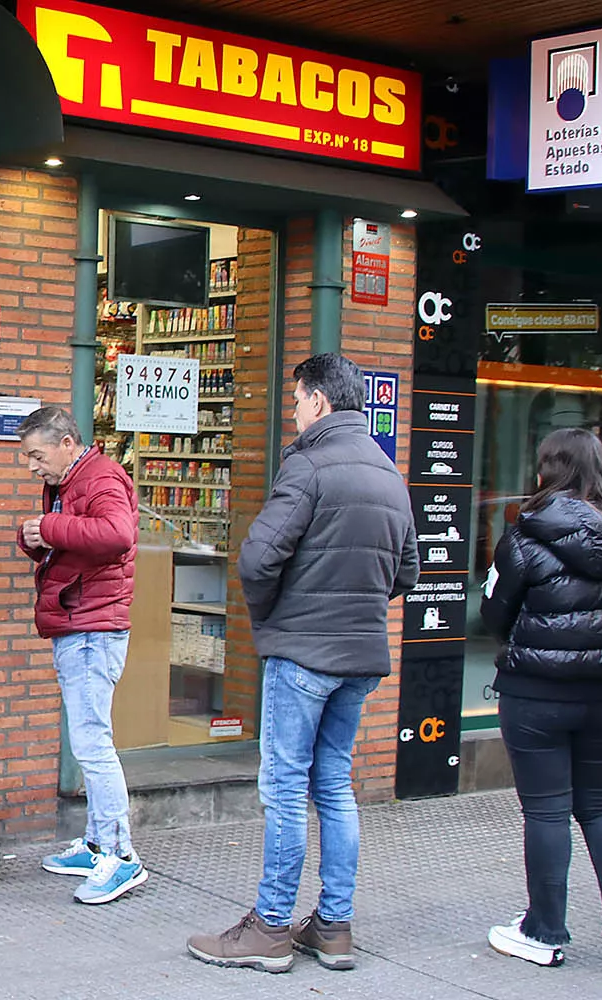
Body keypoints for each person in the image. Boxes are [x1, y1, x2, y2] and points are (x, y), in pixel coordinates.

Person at [187, 353, 417, 973]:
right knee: (334, 785)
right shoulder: (389, 473)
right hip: (362, 654)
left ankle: (270, 927)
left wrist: (273, 618)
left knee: (285, 786)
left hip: (304, 654)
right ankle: (333, 928)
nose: (292, 413)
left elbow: (257, 559)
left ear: (317, 401)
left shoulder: (309, 466)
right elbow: (408, 573)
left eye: (295, 402)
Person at [479, 427, 602, 970]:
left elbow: (495, 615)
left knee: (547, 810)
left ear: (546, 472)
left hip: (538, 694)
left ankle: (544, 931)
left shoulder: (525, 534)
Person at [15, 405, 145, 906]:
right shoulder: (74, 483)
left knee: (92, 742)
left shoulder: (102, 479)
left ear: (67, 443)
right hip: (83, 622)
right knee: (89, 736)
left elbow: (117, 535)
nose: (31, 466)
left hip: (92, 628)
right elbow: (77, 541)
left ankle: (120, 855)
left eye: (36, 454)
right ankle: (95, 845)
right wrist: (38, 536)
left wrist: (47, 528)